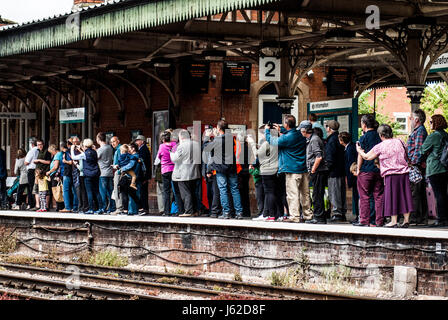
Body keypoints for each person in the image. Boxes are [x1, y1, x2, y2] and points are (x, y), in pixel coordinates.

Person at [357, 124, 413, 228]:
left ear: (381, 135)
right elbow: (407, 154)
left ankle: (394, 221)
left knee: (392, 197)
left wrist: (359, 150)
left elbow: (367, 157)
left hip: (391, 174)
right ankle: (406, 220)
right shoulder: (400, 141)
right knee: (404, 196)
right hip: (404, 173)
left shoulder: (380, 146)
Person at [266, 116, 311, 223]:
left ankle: (294, 216)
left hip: (292, 170)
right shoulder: (300, 134)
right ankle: (307, 215)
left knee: (293, 194)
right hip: (303, 169)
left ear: (286, 124)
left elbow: (272, 141)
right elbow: (290, 134)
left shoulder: (287, 138)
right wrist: (281, 130)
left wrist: (267, 131)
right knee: (305, 194)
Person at [204, 120, 244, 219]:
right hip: (231, 167)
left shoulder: (217, 140)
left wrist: (207, 137)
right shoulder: (231, 139)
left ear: (219, 128)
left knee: (223, 190)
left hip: (220, 168)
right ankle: (239, 212)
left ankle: (226, 212)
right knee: (234, 189)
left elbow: (206, 149)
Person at [248, 125, 281, 221]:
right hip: (275, 169)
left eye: (261, 133)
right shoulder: (276, 142)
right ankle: (270, 214)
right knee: (272, 192)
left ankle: (269, 214)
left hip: (267, 170)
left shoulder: (267, 143)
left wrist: (252, 143)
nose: (261, 136)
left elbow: (257, 153)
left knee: (268, 193)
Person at [356, 114, 384, 227]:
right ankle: (379, 220)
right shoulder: (379, 137)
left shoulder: (363, 138)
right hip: (378, 170)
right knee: (378, 195)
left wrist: (358, 169)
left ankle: (364, 220)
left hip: (366, 170)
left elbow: (360, 155)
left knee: (364, 196)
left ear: (364, 125)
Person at [422, 114, 448, 227]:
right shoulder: (446, 135)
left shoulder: (434, 136)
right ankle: (445, 217)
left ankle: (441, 218)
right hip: (445, 167)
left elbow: (423, 149)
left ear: (436, 123)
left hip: (435, 167)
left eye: (431, 122)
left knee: (438, 194)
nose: (430, 124)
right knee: (444, 193)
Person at [301, 121, 329, 224]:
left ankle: (319, 217)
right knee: (317, 194)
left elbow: (319, 156)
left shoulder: (314, 140)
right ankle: (318, 216)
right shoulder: (312, 139)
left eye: (301, 130)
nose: (300, 131)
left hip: (318, 171)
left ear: (304, 130)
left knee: (317, 194)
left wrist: (313, 169)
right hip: (318, 170)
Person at [170, 129, 202, 217]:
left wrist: (171, 153)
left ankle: (188, 211)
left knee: (185, 193)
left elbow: (175, 159)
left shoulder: (181, 146)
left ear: (181, 137)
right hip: (194, 172)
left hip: (183, 173)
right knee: (193, 192)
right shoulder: (196, 144)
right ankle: (195, 210)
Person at [407, 109, 429, 226]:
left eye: (411, 118)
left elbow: (418, 150)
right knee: (419, 193)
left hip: (416, 166)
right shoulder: (418, 131)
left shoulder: (420, 131)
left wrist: (412, 164)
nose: (410, 120)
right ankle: (421, 218)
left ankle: (415, 218)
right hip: (418, 165)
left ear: (416, 119)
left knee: (415, 193)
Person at [71, 138, 103, 214]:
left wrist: (72, 149)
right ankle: (101, 208)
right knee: (97, 191)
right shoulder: (95, 152)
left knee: (89, 192)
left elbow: (74, 157)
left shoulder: (84, 154)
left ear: (85, 145)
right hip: (96, 173)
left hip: (88, 174)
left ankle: (91, 209)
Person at [325, 120, 347, 222]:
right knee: (341, 192)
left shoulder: (331, 141)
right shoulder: (339, 138)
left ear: (329, 128)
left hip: (333, 171)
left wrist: (327, 169)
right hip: (341, 170)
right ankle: (342, 212)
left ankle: (337, 213)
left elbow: (330, 158)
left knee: (334, 193)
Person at [157, 131, 179, 216]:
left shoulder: (161, 146)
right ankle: (177, 210)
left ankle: (167, 211)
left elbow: (159, 156)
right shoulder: (174, 144)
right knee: (176, 190)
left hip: (165, 170)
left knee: (166, 191)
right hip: (174, 169)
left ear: (163, 139)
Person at [338, 132, 359, 222]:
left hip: (354, 176)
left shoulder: (349, 149)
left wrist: (349, 178)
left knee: (356, 195)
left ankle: (358, 215)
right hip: (355, 175)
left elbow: (350, 164)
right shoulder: (352, 146)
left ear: (342, 141)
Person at [119, 142, 142, 215]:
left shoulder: (133, 157)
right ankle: (137, 210)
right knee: (132, 195)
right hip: (133, 177)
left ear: (133, 148)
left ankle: (133, 211)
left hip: (131, 177)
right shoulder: (135, 156)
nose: (128, 150)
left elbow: (130, 166)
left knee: (132, 195)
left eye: (129, 148)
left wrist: (122, 169)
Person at [96, 132, 115, 214]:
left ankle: (103, 208)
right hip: (110, 172)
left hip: (102, 173)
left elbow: (95, 158)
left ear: (99, 139)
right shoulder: (110, 148)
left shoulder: (100, 150)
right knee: (110, 191)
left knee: (102, 192)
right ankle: (112, 207)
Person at [134, 135, 152, 215]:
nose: (136, 142)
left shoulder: (143, 149)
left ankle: (144, 209)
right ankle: (144, 208)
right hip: (144, 175)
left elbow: (143, 163)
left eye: (138, 140)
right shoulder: (142, 149)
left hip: (143, 175)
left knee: (143, 192)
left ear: (142, 141)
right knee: (142, 192)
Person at [59, 141, 78, 213]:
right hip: (73, 173)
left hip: (67, 173)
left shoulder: (67, 152)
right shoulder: (71, 152)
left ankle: (67, 207)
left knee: (65, 191)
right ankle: (75, 207)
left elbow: (70, 162)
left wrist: (64, 161)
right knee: (74, 191)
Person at [71, 136, 89, 214]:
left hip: (81, 172)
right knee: (77, 190)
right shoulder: (74, 150)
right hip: (75, 172)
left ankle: (82, 207)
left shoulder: (81, 151)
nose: (75, 143)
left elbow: (75, 158)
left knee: (81, 190)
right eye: (73, 142)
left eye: (76, 142)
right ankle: (79, 206)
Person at [33, 139, 51, 210]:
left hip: (44, 173)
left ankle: (46, 206)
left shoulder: (47, 152)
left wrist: (39, 160)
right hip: (37, 173)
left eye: (40, 144)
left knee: (46, 190)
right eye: (38, 145)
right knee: (36, 189)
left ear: (43, 144)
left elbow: (49, 162)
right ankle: (38, 205)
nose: (39, 146)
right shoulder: (37, 151)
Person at [46, 144, 64, 212]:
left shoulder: (57, 155)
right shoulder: (59, 154)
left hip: (56, 175)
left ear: (53, 150)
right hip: (56, 174)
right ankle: (59, 206)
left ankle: (59, 206)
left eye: (51, 152)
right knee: (58, 189)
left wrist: (49, 172)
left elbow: (56, 166)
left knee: (56, 190)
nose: (51, 153)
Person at [24, 137, 39, 210]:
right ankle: (37, 203)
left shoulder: (31, 151)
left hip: (31, 170)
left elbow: (26, 162)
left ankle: (31, 203)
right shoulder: (39, 150)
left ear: (31, 144)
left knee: (31, 188)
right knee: (37, 187)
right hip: (38, 170)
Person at [110, 136, 123, 214]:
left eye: (114, 141)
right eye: (111, 142)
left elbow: (119, 162)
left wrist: (116, 166)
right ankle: (119, 207)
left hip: (118, 172)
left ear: (118, 141)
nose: (112, 144)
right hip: (118, 171)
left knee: (117, 190)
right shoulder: (118, 149)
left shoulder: (119, 150)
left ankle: (119, 208)